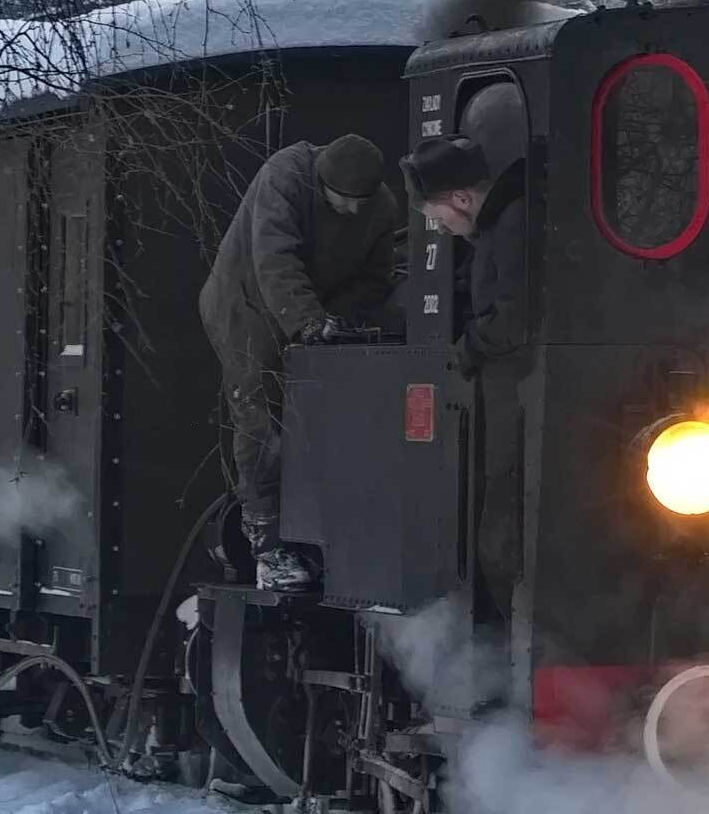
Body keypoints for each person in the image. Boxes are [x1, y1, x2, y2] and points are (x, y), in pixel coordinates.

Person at [199, 134, 401, 590]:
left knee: (325, 417)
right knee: (260, 416)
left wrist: (336, 323)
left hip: (316, 308)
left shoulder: (381, 206)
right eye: (342, 201)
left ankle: (326, 529)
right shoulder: (285, 176)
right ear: (320, 184)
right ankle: (267, 546)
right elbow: (275, 258)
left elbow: (376, 276)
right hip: (246, 303)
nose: (352, 211)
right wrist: (308, 322)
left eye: (360, 203)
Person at [401, 133, 528, 627]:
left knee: (500, 533)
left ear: (462, 198)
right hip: (507, 399)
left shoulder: (513, 227)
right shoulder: (502, 225)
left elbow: (515, 319)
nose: (444, 229)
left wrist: (467, 347)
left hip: (514, 400)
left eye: (439, 217)